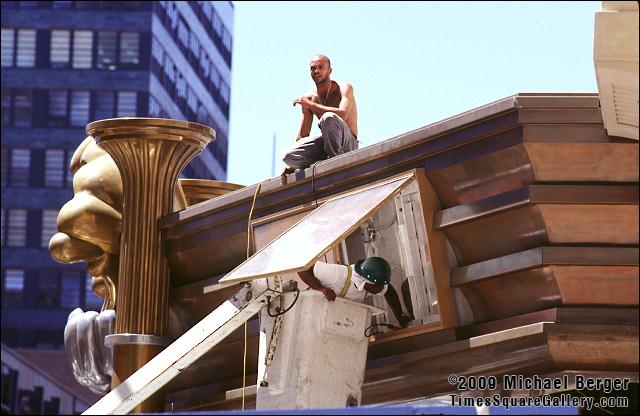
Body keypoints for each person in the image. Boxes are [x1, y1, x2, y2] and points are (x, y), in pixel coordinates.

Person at [282, 54, 359, 176]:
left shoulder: (344, 88)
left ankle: (336, 164)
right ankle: (327, 160)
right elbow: (303, 135)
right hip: (326, 146)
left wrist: (311, 105)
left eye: (321, 67)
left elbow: (342, 114)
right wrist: (294, 164)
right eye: (313, 68)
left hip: (348, 145)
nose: (316, 71)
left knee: (328, 117)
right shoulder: (309, 97)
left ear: (330, 70)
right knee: (288, 156)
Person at [298, 256, 413, 328]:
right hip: (308, 311)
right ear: (365, 280)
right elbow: (301, 268)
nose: (381, 288)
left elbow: (389, 291)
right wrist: (320, 289)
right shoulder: (337, 275)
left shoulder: (373, 286)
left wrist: (400, 316)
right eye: (379, 286)